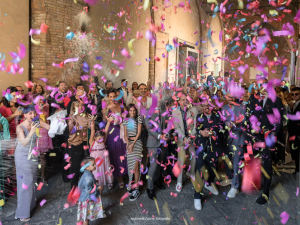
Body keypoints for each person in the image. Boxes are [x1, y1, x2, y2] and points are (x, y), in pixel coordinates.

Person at [15, 105, 50, 222]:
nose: (33, 115)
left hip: (33, 155)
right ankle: (22, 213)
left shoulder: (37, 121)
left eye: (34, 113)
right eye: (30, 113)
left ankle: (30, 206)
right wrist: (32, 131)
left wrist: (60, 124)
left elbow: (50, 128)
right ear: (24, 115)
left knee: (32, 180)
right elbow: (24, 142)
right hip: (22, 156)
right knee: (26, 182)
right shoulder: (19, 127)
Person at [252, 79, 283, 204]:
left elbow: (279, 120)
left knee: (267, 162)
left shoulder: (276, 100)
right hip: (258, 136)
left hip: (269, 136)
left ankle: (265, 193)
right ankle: (259, 183)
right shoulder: (257, 99)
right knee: (257, 159)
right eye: (260, 85)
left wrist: (273, 134)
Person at [193, 99, 221, 210]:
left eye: (208, 105)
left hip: (213, 148)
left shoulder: (217, 117)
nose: (206, 108)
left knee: (213, 170)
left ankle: (208, 184)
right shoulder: (198, 117)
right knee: (200, 171)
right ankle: (197, 196)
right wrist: (201, 132)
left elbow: (220, 128)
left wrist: (213, 133)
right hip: (200, 147)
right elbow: (195, 128)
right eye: (204, 106)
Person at [222, 93, 247, 198]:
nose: (230, 98)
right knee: (228, 162)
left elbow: (245, 123)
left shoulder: (242, 108)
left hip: (238, 139)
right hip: (227, 140)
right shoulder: (224, 108)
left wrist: (235, 124)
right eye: (228, 96)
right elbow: (222, 122)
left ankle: (235, 186)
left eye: (232, 96)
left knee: (236, 163)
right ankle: (231, 179)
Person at [172, 93, 197, 192]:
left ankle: (191, 173)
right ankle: (179, 181)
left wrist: (190, 137)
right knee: (181, 160)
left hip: (191, 138)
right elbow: (177, 127)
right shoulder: (175, 113)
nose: (185, 101)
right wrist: (184, 137)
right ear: (179, 101)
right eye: (183, 100)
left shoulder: (193, 110)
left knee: (193, 156)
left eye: (186, 100)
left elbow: (195, 125)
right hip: (182, 140)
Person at [68, 98, 94, 188]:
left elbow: (90, 127)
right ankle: (74, 189)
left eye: (82, 106)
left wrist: (92, 121)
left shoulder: (86, 115)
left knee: (86, 166)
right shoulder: (72, 116)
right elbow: (70, 131)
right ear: (74, 107)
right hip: (76, 144)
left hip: (86, 143)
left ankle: (86, 186)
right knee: (75, 167)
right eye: (78, 106)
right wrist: (75, 129)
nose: (81, 107)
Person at [105, 89, 127, 188]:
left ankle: (120, 177)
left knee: (120, 153)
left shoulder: (121, 106)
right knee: (112, 153)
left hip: (120, 131)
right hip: (111, 132)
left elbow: (127, 116)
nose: (113, 98)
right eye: (111, 96)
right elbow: (103, 120)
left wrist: (122, 117)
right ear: (108, 98)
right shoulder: (105, 107)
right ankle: (111, 178)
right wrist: (109, 120)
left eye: (115, 96)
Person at [77, 157, 106, 225]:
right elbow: (88, 190)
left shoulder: (87, 173)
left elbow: (88, 184)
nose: (95, 165)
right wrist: (97, 188)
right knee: (86, 216)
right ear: (87, 167)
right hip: (86, 199)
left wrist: (95, 182)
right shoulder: (88, 177)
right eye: (93, 165)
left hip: (84, 198)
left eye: (95, 164)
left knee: (86, 215)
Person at [123, 104, 143, 201]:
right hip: (129, 144)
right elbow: (125, 134)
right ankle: (132, 184)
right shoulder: (125, 120)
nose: (132, 112)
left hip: (137, 144)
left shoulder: (138, 119)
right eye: (130, 110)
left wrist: (133, 144)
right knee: (131, 167)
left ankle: (137, 189)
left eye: (134, 110)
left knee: (136, 167)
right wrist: (128, 143)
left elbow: (139, 133)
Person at [89, 117, 113, 192]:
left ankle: (106, 184)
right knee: (96, 173)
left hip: (104, 159)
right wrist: (92, 122)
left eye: (102, 138)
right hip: (96, 161)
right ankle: (96, 186)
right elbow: (92, 131)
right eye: (99, 138)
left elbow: (106, 130)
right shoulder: (92, 142)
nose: (101, 140)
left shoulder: (103, 141)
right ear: (94, 138)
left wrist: (109, 122)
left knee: (105, 170)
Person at [35, 98, 53, 184]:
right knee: (33, 157)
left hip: (45, 132)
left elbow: (47, 119)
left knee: (43, 156)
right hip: (36, 132)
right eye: (38, 100)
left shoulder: (46, 107)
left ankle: (42, 176)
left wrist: (43, 108)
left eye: (42, 100)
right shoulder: (34, 108)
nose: (40, 102)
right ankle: (34, 177)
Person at [288, 87, 300, 174]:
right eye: (292, 94)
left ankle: (298, 170)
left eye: (296, 94)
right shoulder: (294, 104)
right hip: (292, 133)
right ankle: (297, 169)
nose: (294, 96)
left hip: (298, 134)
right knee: (295, 153)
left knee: (298, 153)